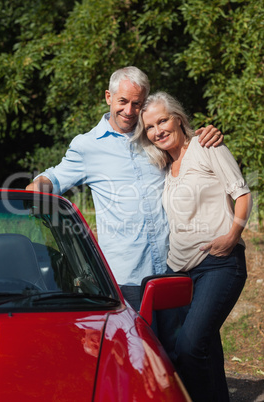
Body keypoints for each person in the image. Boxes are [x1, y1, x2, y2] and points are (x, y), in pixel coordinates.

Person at [26, 67, 223, 361]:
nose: (130, 111)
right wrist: (38, 187)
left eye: (137, 103)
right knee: (138, 358)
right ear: (108, 97)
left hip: (175, 267)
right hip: (128, 276)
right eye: (122, 101)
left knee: (188, 353)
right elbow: (54, 179)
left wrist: (207, 134)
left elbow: (186, 147)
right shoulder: (87, 146)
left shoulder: (154, 135)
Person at [133, 91, 252, 402]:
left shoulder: (206, 146)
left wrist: (231, 236)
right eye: (150, 127)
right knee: (199, 346)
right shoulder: (164, 167)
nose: (158, 130)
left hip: (219, 263)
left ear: (178, 119)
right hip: (179, 270)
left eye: (162, 120)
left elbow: (242, 194)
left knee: (190, 343)